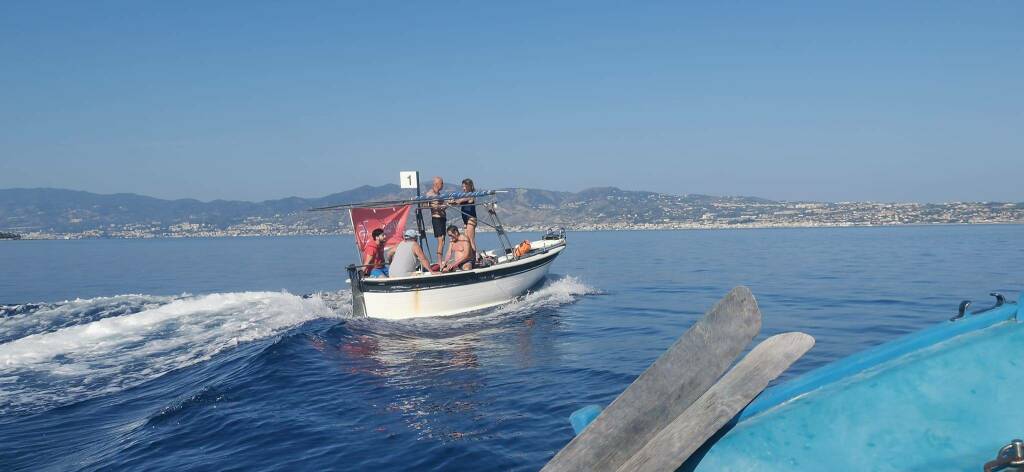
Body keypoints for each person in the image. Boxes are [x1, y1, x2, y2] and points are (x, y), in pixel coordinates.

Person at [423, 176, 448, 263]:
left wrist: (445, 205)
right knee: (440, 240)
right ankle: (439, 262)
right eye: (442, 183)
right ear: (437, 184)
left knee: (443, 240)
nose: (443, 185)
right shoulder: (430, 194)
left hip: (442, 218)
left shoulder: (439, 194)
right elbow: (425, 205)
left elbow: (443, 206)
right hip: (436, 218)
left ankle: (441, 260)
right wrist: (435, 206)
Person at [452, 178, 478, 254]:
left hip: (471, 219)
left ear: (469, 186)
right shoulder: (464, 195)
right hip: (465, 220)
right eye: (462, 186)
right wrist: (451, 202)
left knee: (471, 240)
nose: (463, 188)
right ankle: (470, 255)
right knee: (466, 240)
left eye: (464, 186)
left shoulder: (471, 194)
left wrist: (457, 200)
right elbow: (458, 202)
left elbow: (462, 200)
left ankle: (475, 257)